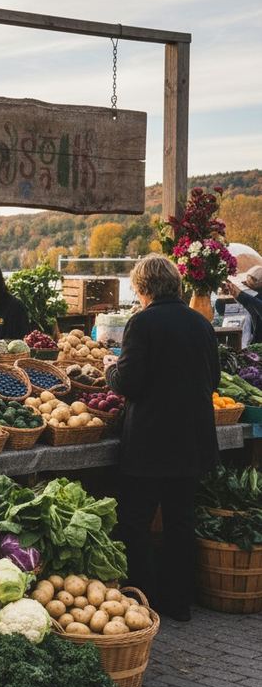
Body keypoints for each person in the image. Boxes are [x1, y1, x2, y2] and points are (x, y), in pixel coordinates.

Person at [105, 254, 220, 621]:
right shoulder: (200, 324)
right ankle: (178, 602)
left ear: (143, 288)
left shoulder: (141, 324)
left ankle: (144, 600)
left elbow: (130, 383)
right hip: (192, 439)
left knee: (135, 522)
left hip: (151, 442)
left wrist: (110, 371)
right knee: (180, 521)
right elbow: (213, 380)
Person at [224, 265, 262, 345]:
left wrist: (240, 294)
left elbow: (257, 305)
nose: (245, 284)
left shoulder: (256, 296)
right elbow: (249, 305)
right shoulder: (256, 294)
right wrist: (236, 295)